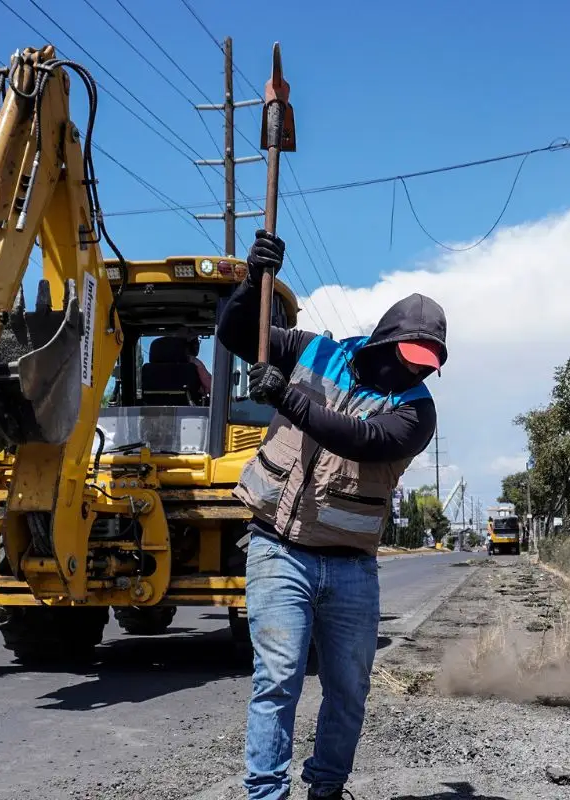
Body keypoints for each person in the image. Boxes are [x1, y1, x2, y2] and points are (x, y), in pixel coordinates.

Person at [217, 229, 447, 800]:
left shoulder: (416, 413)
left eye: (427, 366)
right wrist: (253, 284)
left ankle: (326, 788)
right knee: (278, 681)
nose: (414, 373)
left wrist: (288, 398)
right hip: (278, 547)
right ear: (385, 341)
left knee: (348, 689)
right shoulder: (316, 351)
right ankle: (266, 794)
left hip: (350, 568)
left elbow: (364, 440)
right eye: (410, 359)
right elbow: (235, 333)